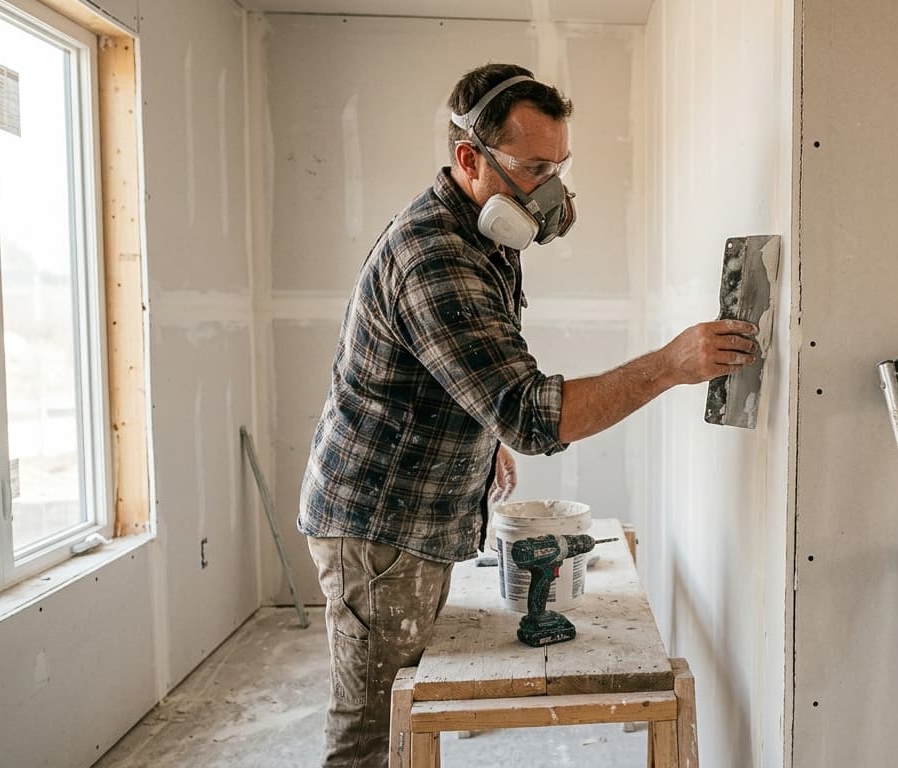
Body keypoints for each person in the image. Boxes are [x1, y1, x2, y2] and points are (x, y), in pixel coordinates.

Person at [297, 62, 758, 767]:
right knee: (374, 734)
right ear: (468, 158)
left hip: (408, 512)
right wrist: (670, 365)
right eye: (536, 166)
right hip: (379, 527)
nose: (552, 190)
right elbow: (532, 415)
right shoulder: (435, 256)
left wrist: (481, 432)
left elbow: (476, 376)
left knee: (403, 709)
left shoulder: (489, 234)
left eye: (560, 166)